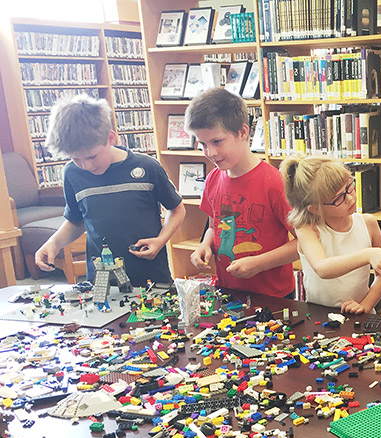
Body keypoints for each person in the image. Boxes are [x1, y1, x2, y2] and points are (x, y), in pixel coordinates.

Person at [35, 95, 185, 285]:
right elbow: (75, 221)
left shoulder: (147, 167)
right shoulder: (72, 173)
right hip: (102, 280)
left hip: (151, 276)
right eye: (76, 159)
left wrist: (161, 240)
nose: (86, 165)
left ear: (111, 138)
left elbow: (177, 209)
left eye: (92, 156)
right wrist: (53, 243)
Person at [186, 88, 297, 296]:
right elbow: (214, 227)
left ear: (243, 132)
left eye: (217, 141)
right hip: (227, 292)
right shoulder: (213, 179)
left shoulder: (275, 182)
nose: (210, 153)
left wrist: (259, 263)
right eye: (203, 144)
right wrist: (204, 245)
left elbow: (305, 242)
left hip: (274, 297)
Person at [281, 156, 381, 313]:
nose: (350, 198)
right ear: (316, 209)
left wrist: (365, 305)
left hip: (359, 316)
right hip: (319, 318)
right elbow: (322, 268)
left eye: (349, 187)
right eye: (339, 198)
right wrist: (368, 254)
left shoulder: (368, 223)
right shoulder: (308, 229)